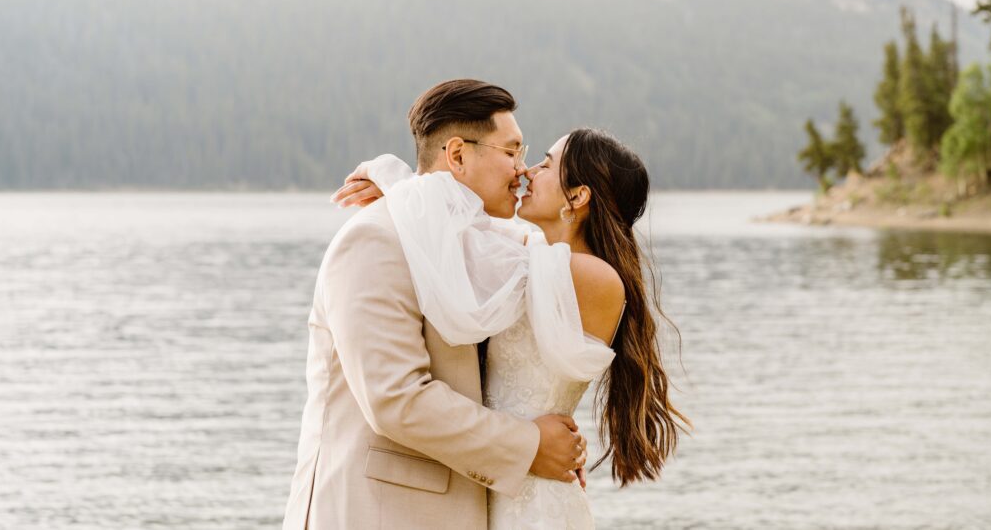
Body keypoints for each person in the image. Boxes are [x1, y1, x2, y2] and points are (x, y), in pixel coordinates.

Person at [337, 127, 690, 528]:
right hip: (504, 476)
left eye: (546, 163)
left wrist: (399, 186)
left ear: (577, 196)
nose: (528, 172)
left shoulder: (594, 278)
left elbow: (469, 245)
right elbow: (477, 243)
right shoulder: (535, 258)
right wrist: (411, 202)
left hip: (537, 495)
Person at [282, 80, 589, 530]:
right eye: (512, 152)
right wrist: (529, 446)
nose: (522, 171)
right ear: (459, 155)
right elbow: (396, 398)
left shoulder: (476, 245)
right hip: (373, 513)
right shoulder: (375, 240)